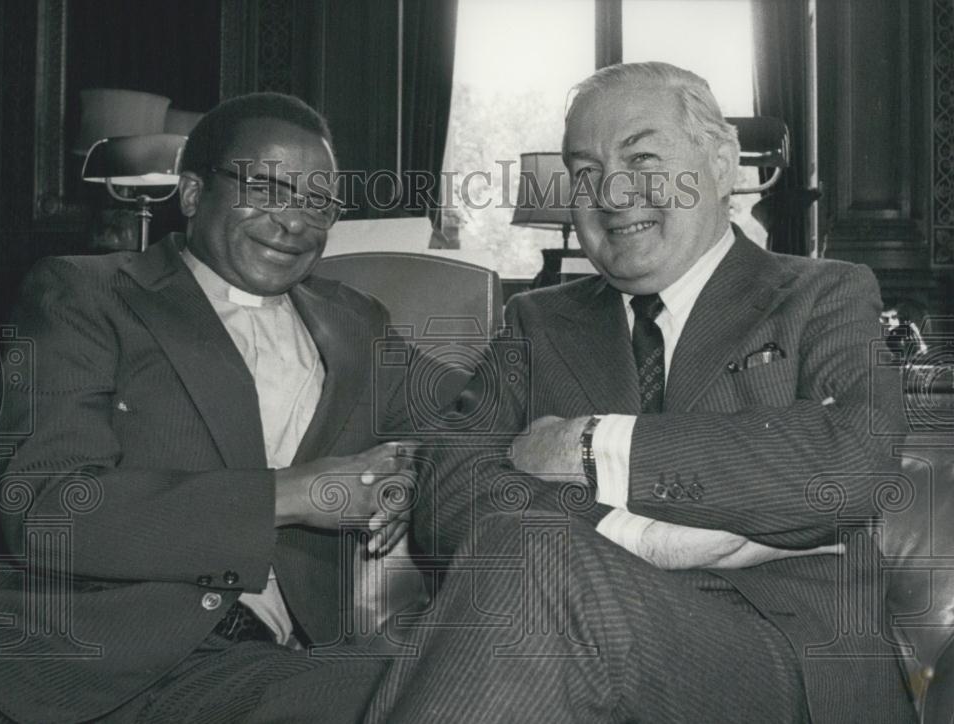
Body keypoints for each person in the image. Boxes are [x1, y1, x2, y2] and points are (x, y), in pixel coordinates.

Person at [369, 62, 916, 723]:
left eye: (642, 158)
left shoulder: (823, 294)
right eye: (585, 172)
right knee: (528, 568)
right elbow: (449, 495)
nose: (613, 194)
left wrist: (593, 445)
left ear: (718, 165)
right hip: (564, 632)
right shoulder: (538, 321)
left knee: (533, 559)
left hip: (787, 659)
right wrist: (641, 536)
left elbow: (848, 465)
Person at [0, 93, 423, 723]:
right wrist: (290, 494)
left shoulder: (357, 323)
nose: (295, 223)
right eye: (268, 188)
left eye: (317, 201)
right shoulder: (87, 293)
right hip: (57, 661)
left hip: (257, 673)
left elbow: (478, 415)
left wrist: (416, 461)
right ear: (195, 194)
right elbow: (45, 508)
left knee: (446, 682)